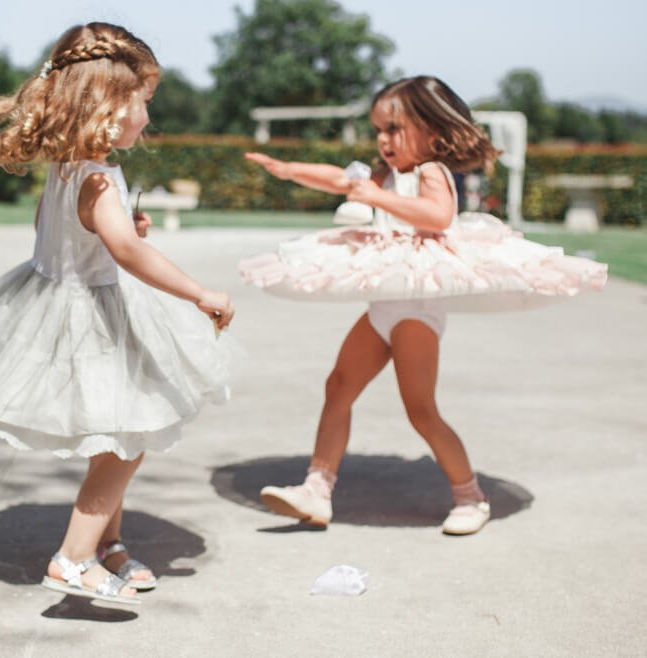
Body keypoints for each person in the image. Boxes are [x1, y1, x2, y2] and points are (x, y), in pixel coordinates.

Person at [0, 23, 235, 604]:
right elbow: (126, 251)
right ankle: (73, 558)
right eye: (144, 103)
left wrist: (116, 230)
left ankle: (107, 543)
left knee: (116, 432)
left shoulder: (69, 167)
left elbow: (67, 234)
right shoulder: (98, 177)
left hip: (65, 301)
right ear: (108, 104)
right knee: (131, 431)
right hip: (93, 316)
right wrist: (200, 293)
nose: (149, 117)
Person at [241, 76, 606, 536]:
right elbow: (341, 179)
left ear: (432, 131)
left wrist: (376, 196)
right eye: (378, 130)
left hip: (416, 309)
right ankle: (317, 488)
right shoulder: (384, 174)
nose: (384, 141)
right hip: (385, 306)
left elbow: (439, 216)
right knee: (338, 387)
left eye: (394, 129)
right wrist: (288, 168)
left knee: (420, 410)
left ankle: (470, 496)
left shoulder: (430, 170)